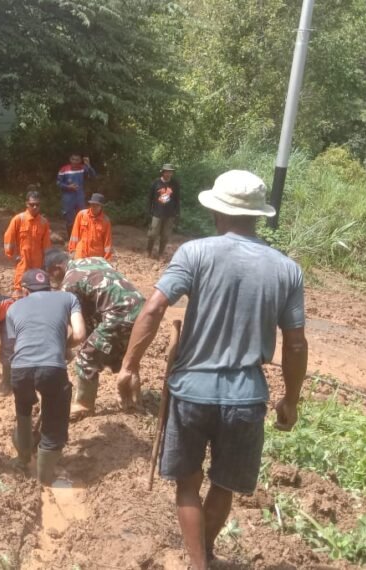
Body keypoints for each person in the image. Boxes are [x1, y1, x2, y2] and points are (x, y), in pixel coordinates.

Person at [116, 170, 308, 570]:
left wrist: (129, 366)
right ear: (257, 216)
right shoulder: (287, 269)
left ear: (218, 213)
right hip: (247, 396)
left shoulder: (195, 253)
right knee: (224, 484)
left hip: (191, 391)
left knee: (187, 484)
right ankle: (203, 556)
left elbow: (153, 309)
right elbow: (294, 342)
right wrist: (291, 398)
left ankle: (198, 563)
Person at [5, 269, 85, 484]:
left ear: (24, 290)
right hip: (52, 368)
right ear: (50, 286)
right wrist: (61, 347)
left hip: (20, 368)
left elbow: (14, 345)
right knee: (55, 417)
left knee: (23, 408)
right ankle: (45, 478)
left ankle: (23, 458)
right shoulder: (69, 298)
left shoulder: (13, 308)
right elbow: (79, 334)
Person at [44, 249, 144, 418]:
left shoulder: (68, 284)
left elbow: (77, 329)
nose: (52, 281)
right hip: (142, 311)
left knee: (86, 355)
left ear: (57, 268)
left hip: (119, 313)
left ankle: (84, 405)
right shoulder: (96, 260)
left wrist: (61, 346)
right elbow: (94, 308)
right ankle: (131, 397)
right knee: (120, 355)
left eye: (51, 275)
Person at [3, 188, 51, 290]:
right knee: (20, 286)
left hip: (37, 262)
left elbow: (46, 245)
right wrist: (12, 255)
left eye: (37, 204)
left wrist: (45, 261)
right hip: (23, 259)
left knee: (37, 287)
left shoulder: (44, 222)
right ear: (26, 204)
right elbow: (9, 237)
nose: (35, 207)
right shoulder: (19, 219)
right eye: (32, 204)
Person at [57, 154, 97, 237]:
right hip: (68, 197)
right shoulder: (64, 169)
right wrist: (68, 187)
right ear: (70, 160)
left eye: (77, 160)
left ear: (80, 161)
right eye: (73, 159)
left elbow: (93, 176)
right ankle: (70, 239)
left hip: (79, 197)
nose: (75, 162)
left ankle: (82, 238)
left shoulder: (82, 168)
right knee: (70, 219)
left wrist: (88, 164)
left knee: (83, 217)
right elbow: (58, 183)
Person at [147, 163, 181, 258]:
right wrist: (149, 211)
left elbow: (177, 199)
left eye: (170, 172)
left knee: (165, 236)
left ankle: (160, 254)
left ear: (172, 173)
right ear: (162, 172)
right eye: (166, 172)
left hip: (170, 214)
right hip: (157, 213)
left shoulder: (175, 184)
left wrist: (177, 213)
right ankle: (148, 252)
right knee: (152, 234)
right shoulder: (156, 183)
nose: (168, 174)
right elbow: (150, 198)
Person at [68, 193, 113, 260]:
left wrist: (107, 258)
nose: (94, 207)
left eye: (97, 205)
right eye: (92, 204)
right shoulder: (82, 215)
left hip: (96, 256)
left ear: (101, 206)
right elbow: (74, 235)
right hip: (81, 254)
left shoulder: (105, 221)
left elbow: (107, 241)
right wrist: (72, 251)